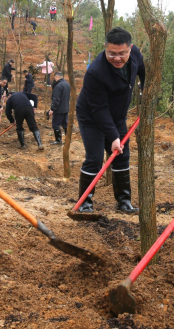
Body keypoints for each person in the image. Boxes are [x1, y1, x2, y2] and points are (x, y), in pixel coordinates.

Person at [75, 27, 144, 215]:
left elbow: (143, 71)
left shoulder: (135, 55)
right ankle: (85, 203)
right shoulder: (95, 72)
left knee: (122, 156)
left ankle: (124, 201)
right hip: (91, 116)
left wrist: (145, 90)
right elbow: (99, 109)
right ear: (105, 47)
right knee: (95, 159)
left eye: (122, 53)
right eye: (111, 53)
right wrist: (113, 137)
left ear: (130, 48)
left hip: (117, 115)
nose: (117, 58)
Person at [49, 71, 70, 145]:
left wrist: (52, 109)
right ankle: (68, 140)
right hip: (66, 108)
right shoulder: (67, 84)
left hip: (59, 109)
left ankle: (58, 140)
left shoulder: (58, 86)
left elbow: (56, 100)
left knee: (55, 124)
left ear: (57, 77)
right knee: (65, 124)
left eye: (55, 78)